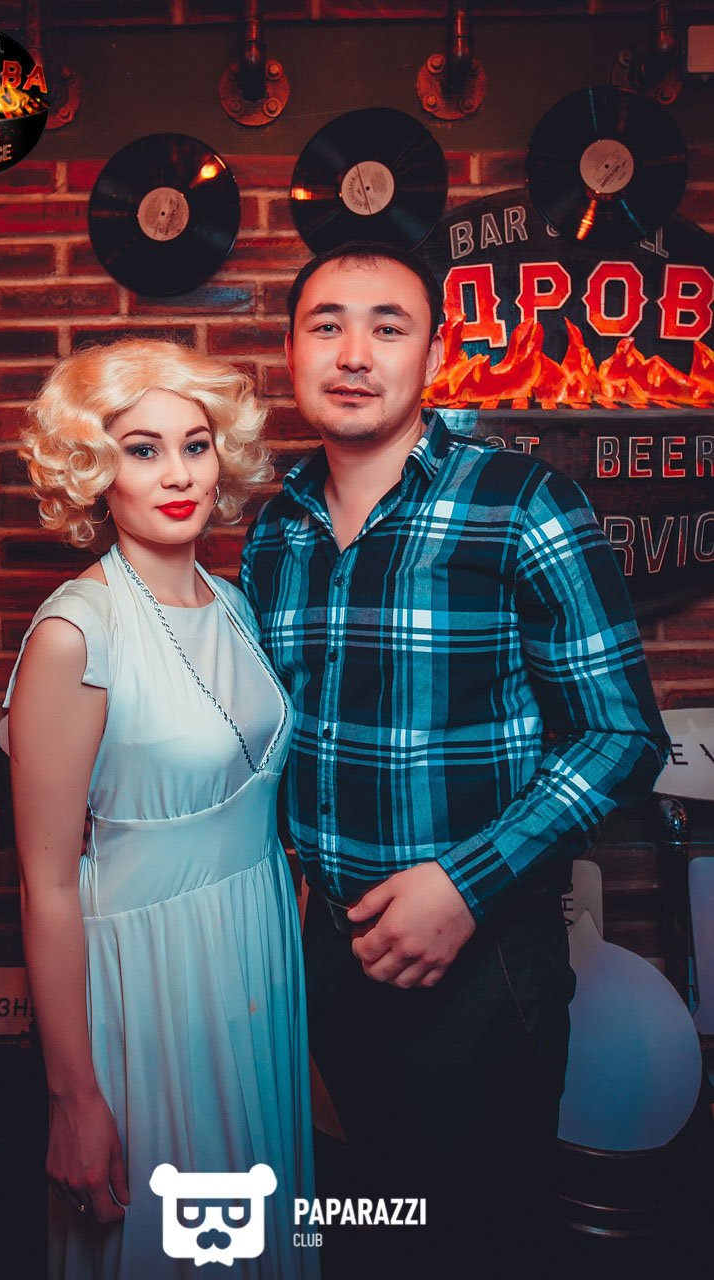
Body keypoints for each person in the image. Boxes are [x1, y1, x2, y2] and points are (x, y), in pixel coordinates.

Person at [240, 242, 670, 1275]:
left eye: (387, 326)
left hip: (484, 964)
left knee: (479, 1241)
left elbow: (623, 736)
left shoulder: (520, 500)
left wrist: (463, 884)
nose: (354, 353)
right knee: (370, 1224)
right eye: (326, 325)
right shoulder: (273, 531)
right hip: (326, 954)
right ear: (289, 350)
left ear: (432, 355)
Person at [3, 339, 319, 1280]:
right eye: (142, 450)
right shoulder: (76, 633)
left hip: (253, 956)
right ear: (95, 469)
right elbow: (46, 885)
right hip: (150, 977)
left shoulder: (235, 603)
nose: (177, 475)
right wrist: (72, 1100)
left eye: (195, 444)